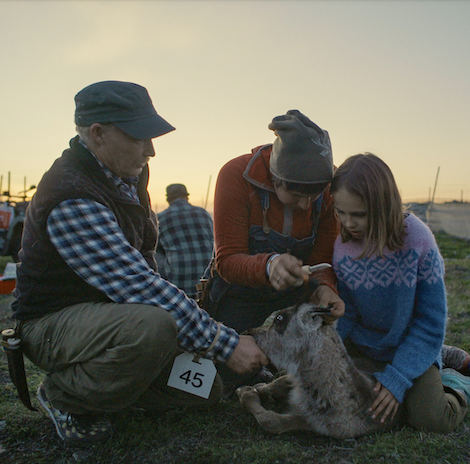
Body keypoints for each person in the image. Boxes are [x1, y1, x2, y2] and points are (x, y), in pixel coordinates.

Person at [11, 81, 269, 444]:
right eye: (138, 137)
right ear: (98, 134)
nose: (151, 150)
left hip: (113, 315)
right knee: (154, 327)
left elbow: (146, 263)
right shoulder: (71, 194)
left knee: (204, 390)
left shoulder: (127, 176)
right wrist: (225, 344)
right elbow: (135, 284)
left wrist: (195, 337)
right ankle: (63, 395)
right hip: (53, 322)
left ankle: (108, 390)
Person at [205, 110, 345, 392]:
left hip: (295, 291)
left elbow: (321, 260)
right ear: (274, 178)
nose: (306, 205)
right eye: (297, 196)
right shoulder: (235, 176)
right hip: (239, 292)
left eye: (314, 196)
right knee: (220, 380)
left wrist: (325, 288)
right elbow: (227, 260)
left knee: (319, 368)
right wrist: (269, 265)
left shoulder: (327, 187)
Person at [331, 153, 469, 433]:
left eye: (358, 214)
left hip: (412, 347)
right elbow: (348, 313)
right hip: (366, 347)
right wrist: (328, 349)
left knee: (431, 419)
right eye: (339, 212)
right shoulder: (342, 248)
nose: (348, 223)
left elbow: (430, 322)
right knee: (342, 400)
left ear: (383, 206)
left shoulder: (418, 241)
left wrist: (398, 377)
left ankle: (457, 382)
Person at [156, 183, 214, 298]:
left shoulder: (160, 218)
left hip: (178, 284)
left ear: (168, 199)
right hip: (207, 280)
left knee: (154, 253)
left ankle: (162, 291)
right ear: (187, 197)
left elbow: (156, 249)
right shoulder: (204, 213)